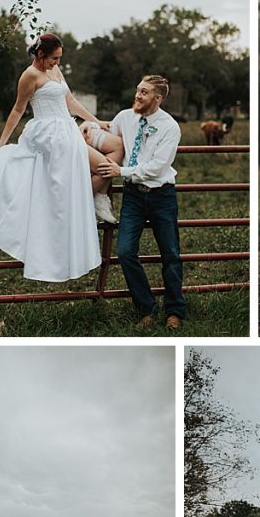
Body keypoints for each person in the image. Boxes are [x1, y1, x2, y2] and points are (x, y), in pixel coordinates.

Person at [0, 32, 119, 282]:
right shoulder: (29, 76)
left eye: (59, 59)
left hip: (67, 131)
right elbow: (18, 108)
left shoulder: (56, 72)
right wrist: (3, 140)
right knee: (58, 189)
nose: (57, 63)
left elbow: (70, 101)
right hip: (47, 135)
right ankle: (60, 222)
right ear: (40, 54)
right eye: (54, 59)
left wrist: (95, 121)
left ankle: (87, 196)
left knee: (103, 166)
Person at [86, 75, 186, 330]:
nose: (138, 95)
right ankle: (147, 309)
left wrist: (122, 172)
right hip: (133, 197)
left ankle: (175, 311)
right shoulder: (125, 117)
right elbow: (107, 132)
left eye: (144, 92)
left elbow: (157, 167)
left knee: (171, 254)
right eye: (138, 90)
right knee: (125, 251)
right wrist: (86, 126)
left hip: (161, 195)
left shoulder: (170, 127)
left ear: (158, 98)